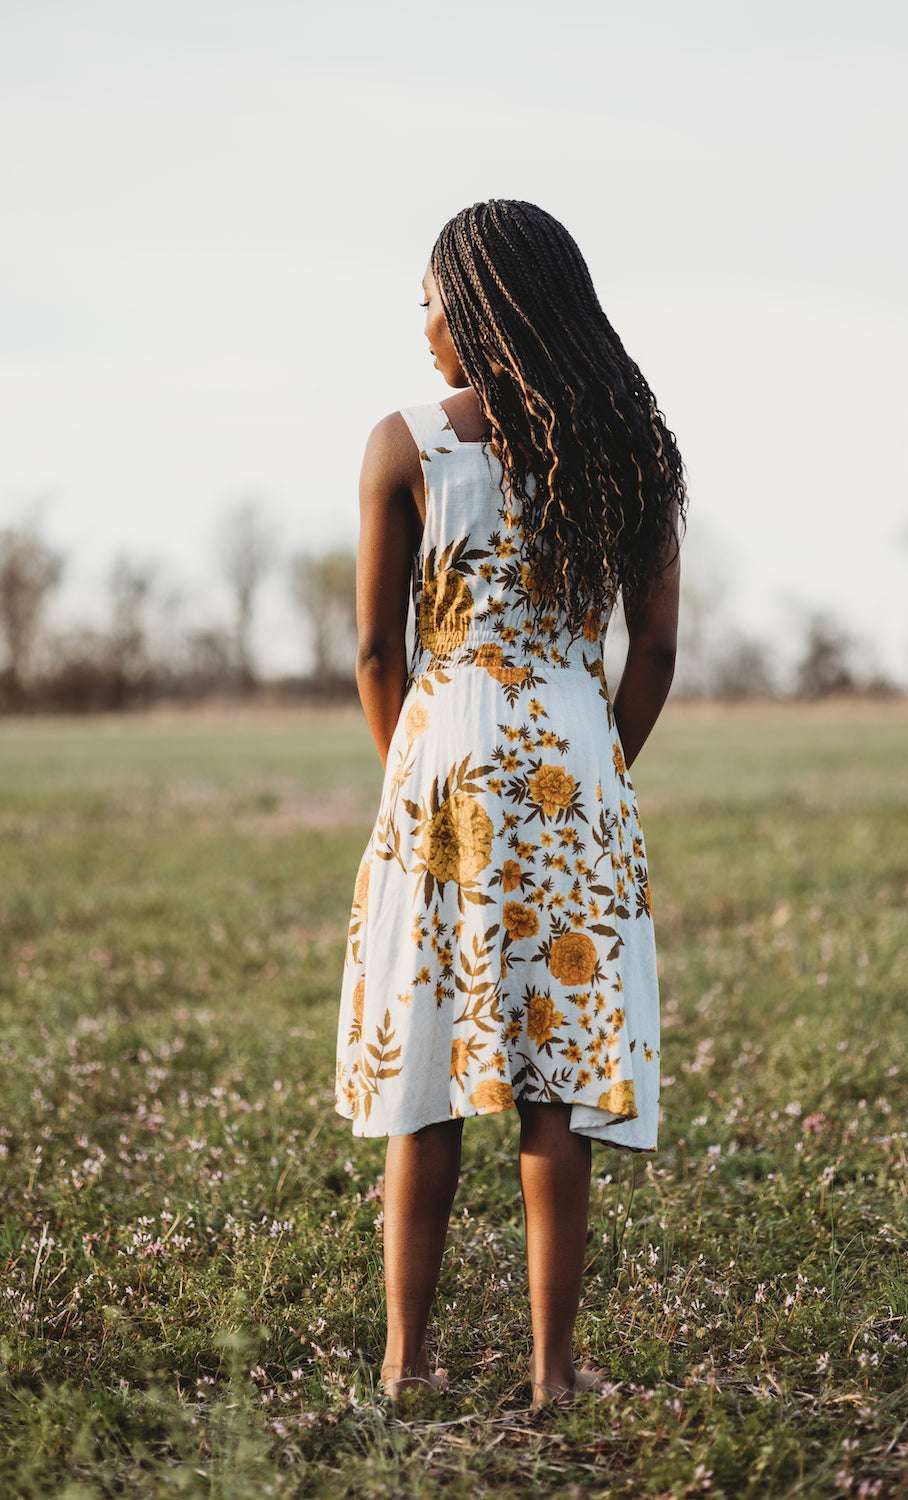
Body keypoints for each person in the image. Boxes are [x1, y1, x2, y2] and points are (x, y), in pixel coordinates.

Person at [334, 199, 686, 1409]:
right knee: (555, 1088)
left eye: (430, 295)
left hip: (442, 769)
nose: (421, 321)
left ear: (478, 306)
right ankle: (549, 1371)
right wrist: (600, 769)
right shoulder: (632, 451)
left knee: (427, 1070)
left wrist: (410, 774)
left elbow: (379, 651)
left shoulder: (405, 447)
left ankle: (405, 1361)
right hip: (574, 769)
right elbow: (653, 654)